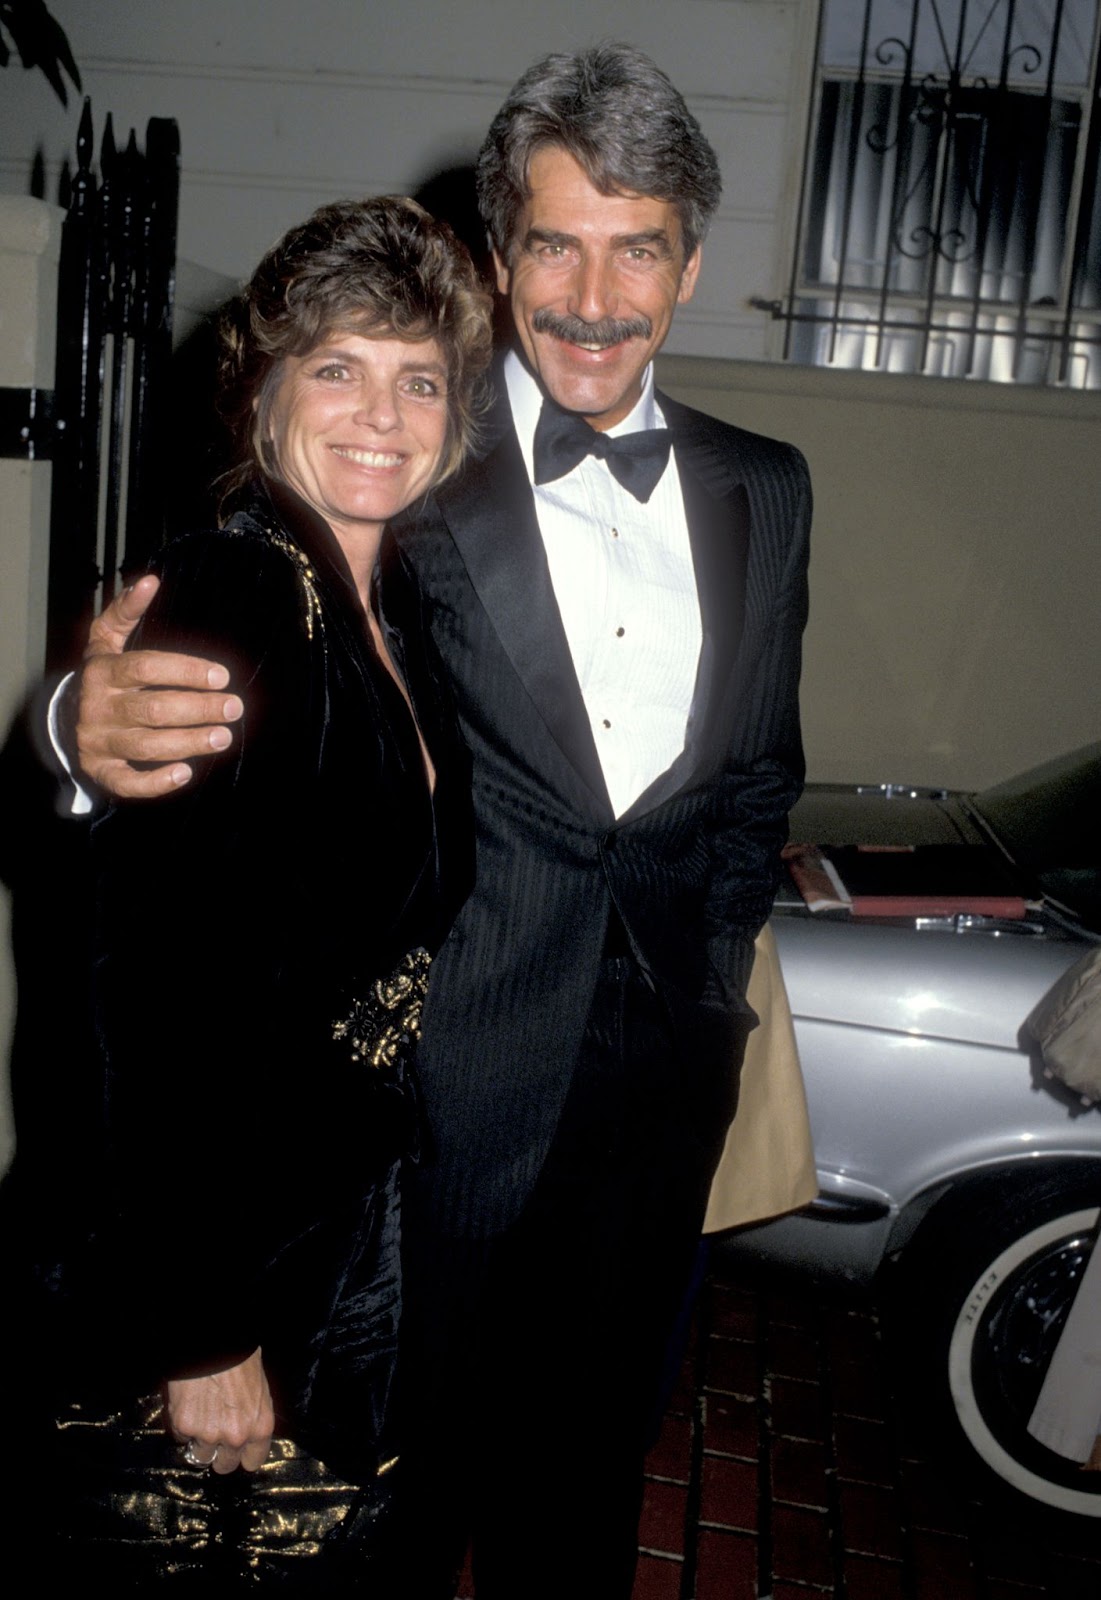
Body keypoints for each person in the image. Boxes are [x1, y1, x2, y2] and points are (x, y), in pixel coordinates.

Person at [60, 44, 811, 1598]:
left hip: (655, 1111)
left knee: (580, 1509)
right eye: (554, 242)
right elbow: (205, 673)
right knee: (376, 1527)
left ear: (692, 264)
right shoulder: (414, 481)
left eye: (639, 245)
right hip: (436, 1123)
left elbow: (753, 781)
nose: (595, 295)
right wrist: (69, 726)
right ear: (497, 252)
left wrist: (702, 991)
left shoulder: (766, 489)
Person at [8, 194, 490, 1589]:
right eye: (336, 368)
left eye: (418, 379)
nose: (380, 415)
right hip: (214, 1264)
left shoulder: (391, 604)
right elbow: (139, 989)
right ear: (264, 386)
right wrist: (198, 1331)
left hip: (326, 1237)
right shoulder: (239, 588)